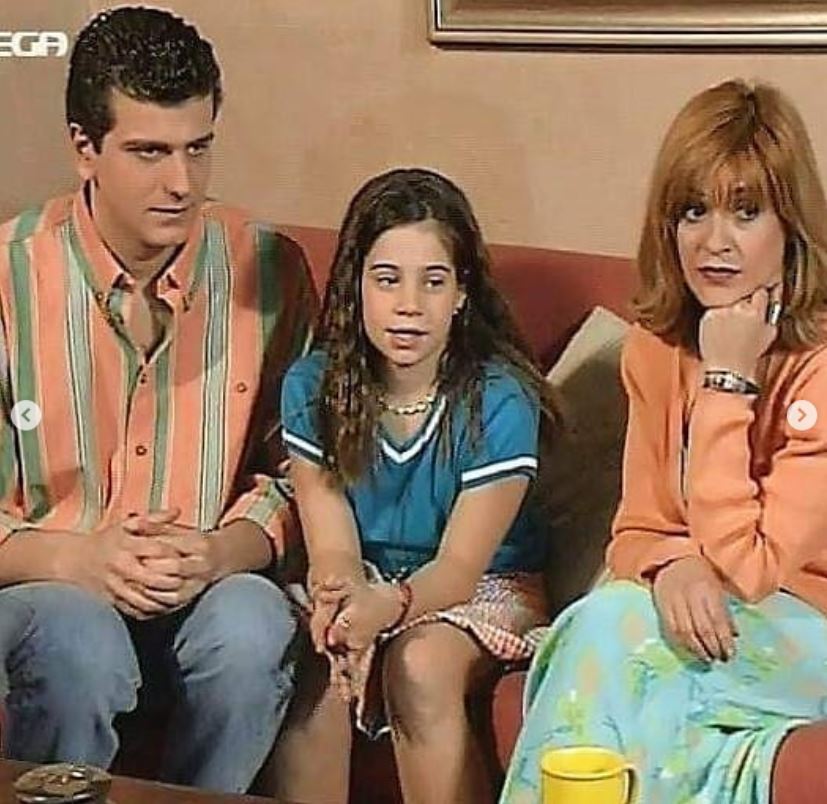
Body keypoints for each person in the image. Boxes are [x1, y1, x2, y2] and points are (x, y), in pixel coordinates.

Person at [0, 6, 316, 794]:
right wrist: (76, 558)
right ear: (84, 148)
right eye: (148, 152)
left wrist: (221, 551)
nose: (181, 184)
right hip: (49, 589)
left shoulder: (269, 269)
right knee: (78, 639)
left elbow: (301, 472)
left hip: (204, 585)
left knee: (253, 624)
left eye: (196, 149)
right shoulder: (9, 277)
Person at [501, 78, 827, 804]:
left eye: (746, 212)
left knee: (609, 633)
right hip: (706, 618)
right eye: (692, 211)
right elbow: (636, 532)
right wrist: (672, 565)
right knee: (626, 658)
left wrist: (728, 383)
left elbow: (751, 567)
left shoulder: (819, 366)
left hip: (812, 631)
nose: (714, 242)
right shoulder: (653, 350)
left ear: (790, 226)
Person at [271, 167, 551, 804]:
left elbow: (457, 570)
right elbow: (331, 543)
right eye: (387, 279)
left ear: (462, 293)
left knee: (418, 664)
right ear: (356, 285)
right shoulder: (312, 386)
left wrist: (387, 607)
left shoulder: (500, 400)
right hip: (368, 571)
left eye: (433, 281)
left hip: (482, 586)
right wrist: (340, 597)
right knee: (314, 653)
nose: (409, 305)